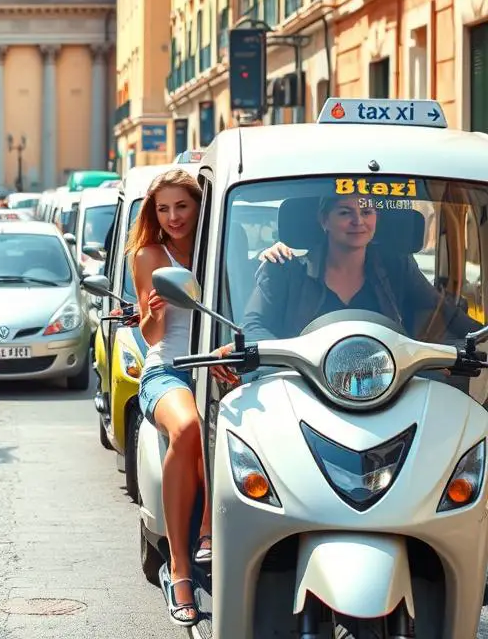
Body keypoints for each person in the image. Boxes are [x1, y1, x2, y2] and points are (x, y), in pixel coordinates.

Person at [128, 168, 208, 627]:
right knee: (191, 425)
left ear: (200, 205)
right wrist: (154, 312)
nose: (173, 216)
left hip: (220, 364)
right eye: (163, 208)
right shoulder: (148, 255)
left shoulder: (223, 243)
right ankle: (180, 567)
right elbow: (149, 332)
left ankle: (218, 532)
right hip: (169, 369)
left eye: (181, 206)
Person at [243, 195, 479, 342]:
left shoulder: (399, 268)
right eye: (345, 212)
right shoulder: (284, 270)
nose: (358, 221)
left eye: (367, 212)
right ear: (324, 220)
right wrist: (283, 360)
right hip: (299, 390)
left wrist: (481, 338)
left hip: (392, 392)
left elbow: (448, 314)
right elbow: (252, 327)